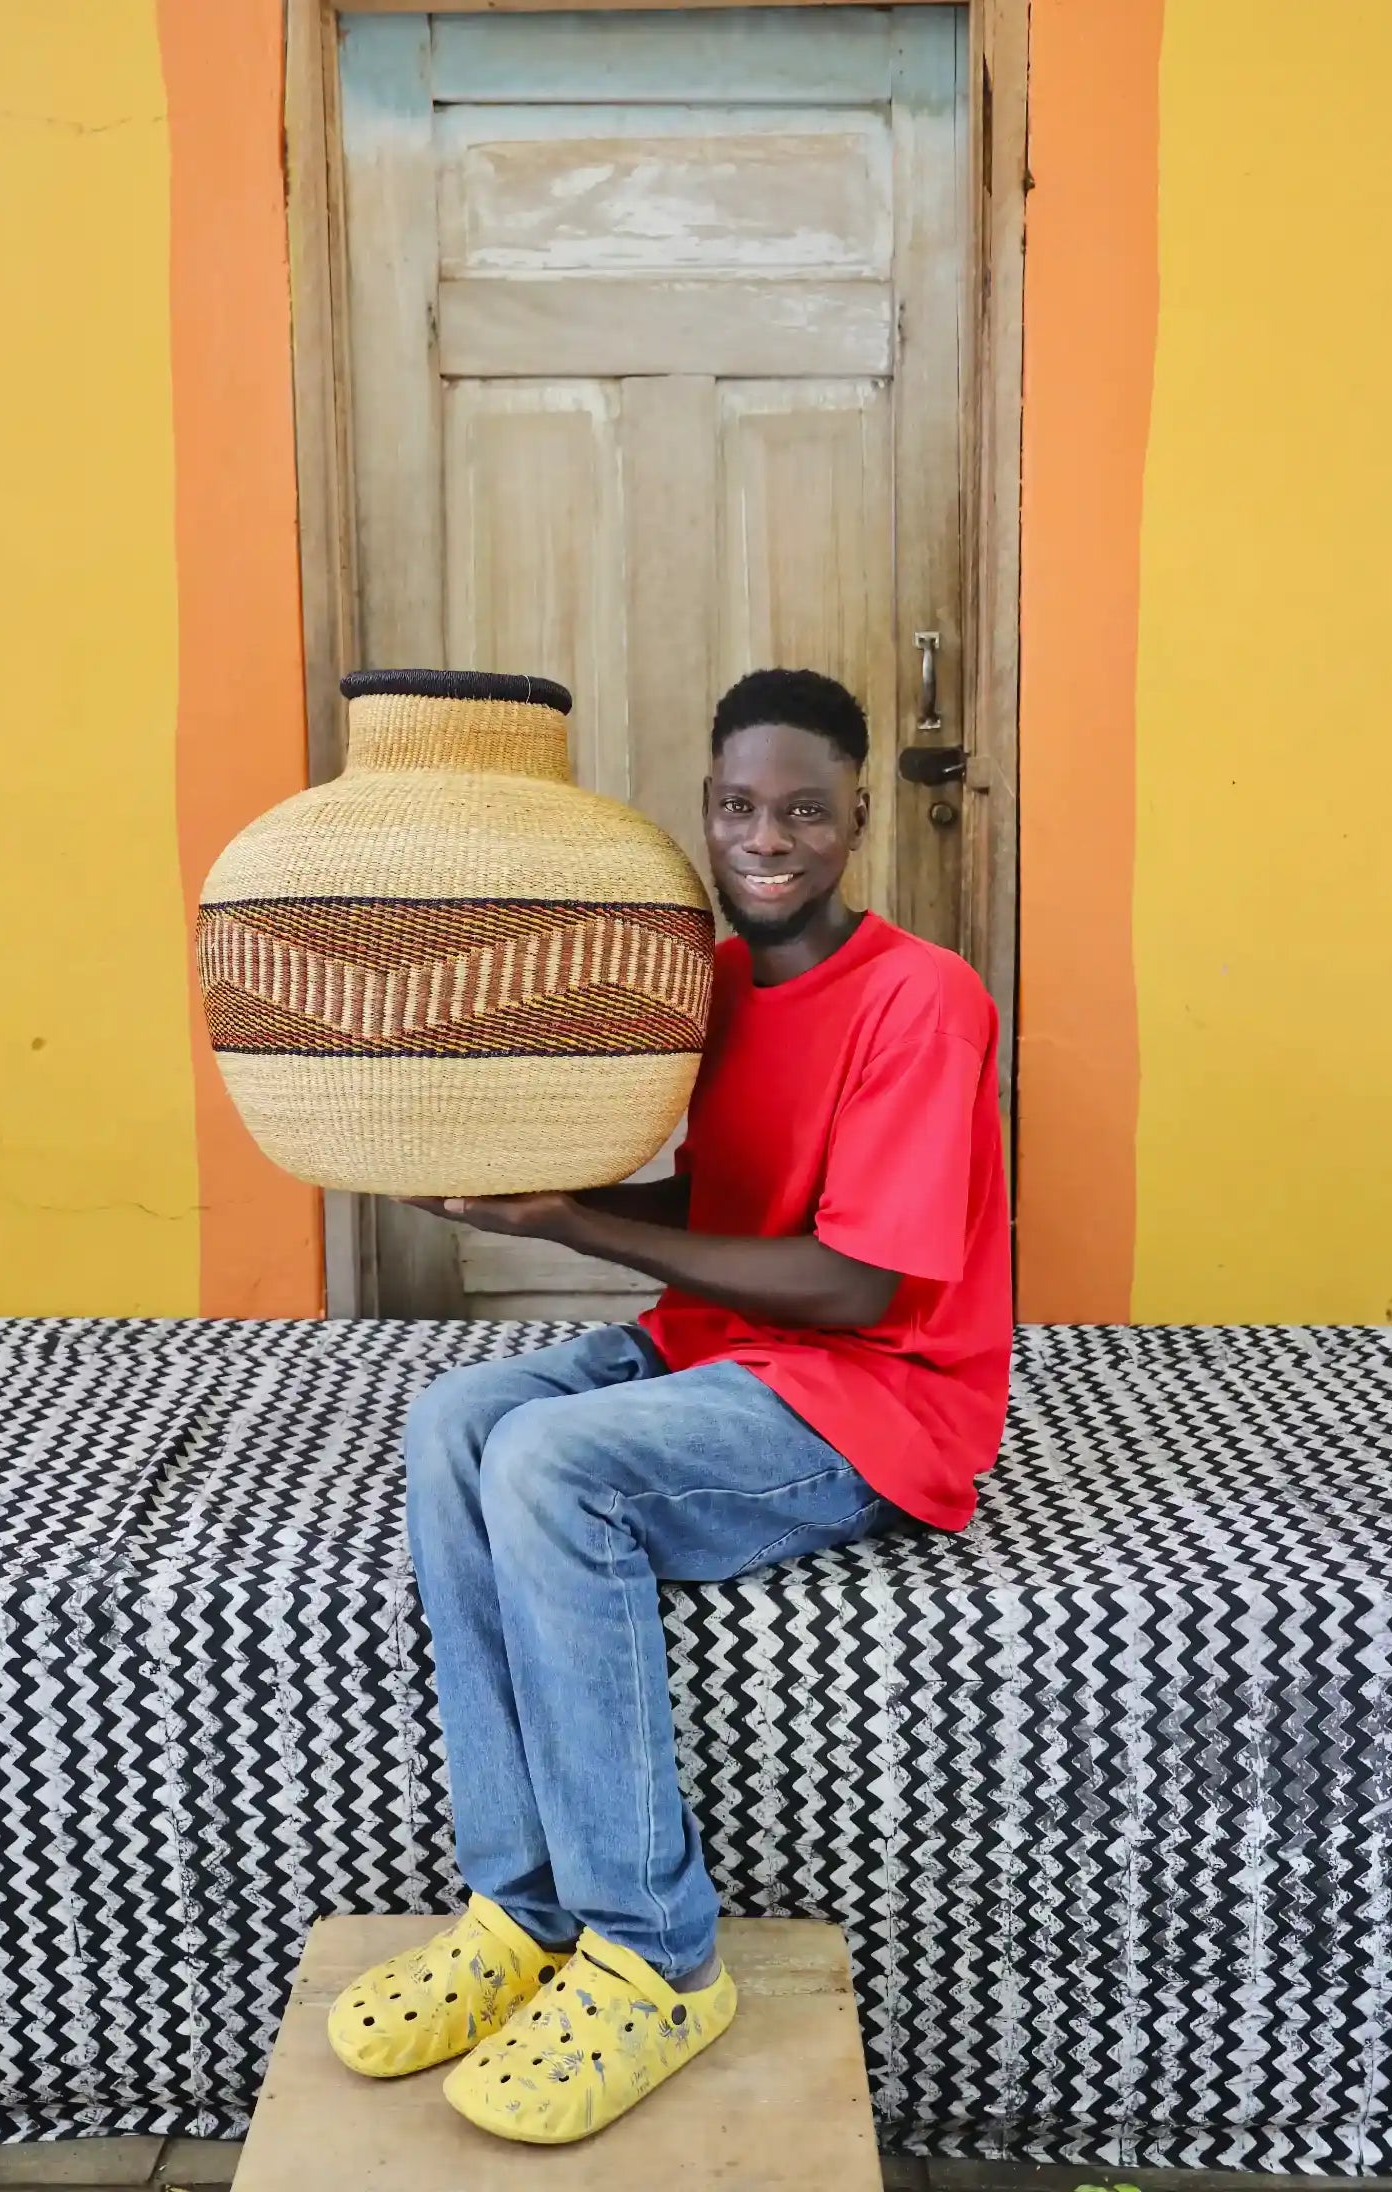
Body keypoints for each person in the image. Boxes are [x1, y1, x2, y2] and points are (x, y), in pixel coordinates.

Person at [327, 667, 1013, 2145]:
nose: (767, 838)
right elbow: (716, 1202)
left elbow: (857, 1287)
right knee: (454, 1426)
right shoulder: (710, 981)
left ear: (859, 818)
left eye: (805, 811)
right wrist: (530, 1190)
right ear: (706, 809)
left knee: (550, 1466)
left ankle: (653, 1954)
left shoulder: (924, 999)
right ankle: (522, 1911)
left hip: (876, 1397)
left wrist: (575, 1227)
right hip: (721, 1348)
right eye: (739, 806)